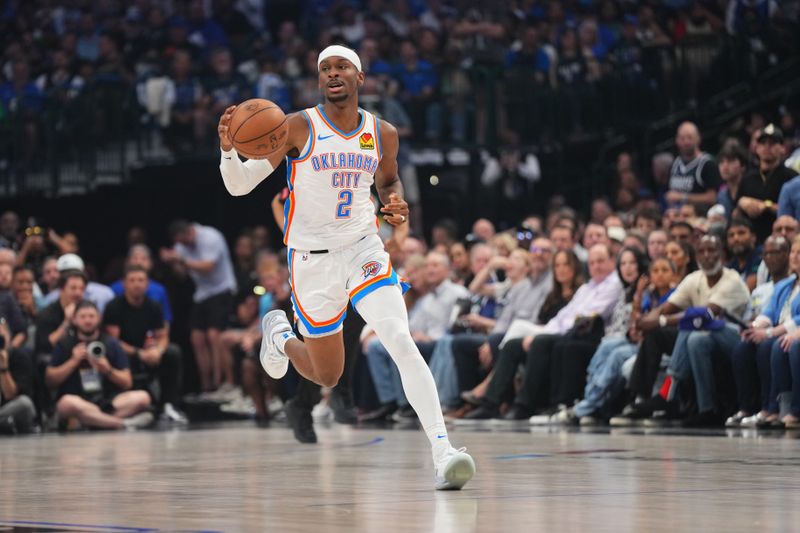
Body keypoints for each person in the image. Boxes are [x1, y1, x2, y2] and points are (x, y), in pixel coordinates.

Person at [217, 45, 474, 490]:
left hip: (363, 249)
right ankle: (278, 334)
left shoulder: (382, 132)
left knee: (399, 338)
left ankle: (443, 452)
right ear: (320, 80)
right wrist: (228, 152)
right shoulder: (295, 126)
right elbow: (240, 188)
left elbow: (388, 181)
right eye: (325, 69)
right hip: (311, 262)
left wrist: (394, 203)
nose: (332, 74)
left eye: (341, 68)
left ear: (360, 76)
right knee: (327, 375)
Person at [46, 301, 153, 430]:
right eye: (83, 316)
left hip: (107, 401)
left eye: (91, 316)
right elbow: (50, 381)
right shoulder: (65, 343)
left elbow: (127, 382)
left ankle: (92, 421)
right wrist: (73, 362)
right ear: (74, 320)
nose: (88, 320)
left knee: (143, 397)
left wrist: (108, 370)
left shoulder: (111, 343)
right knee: (66, 403)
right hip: (78, 400)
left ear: (99, 319)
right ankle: (122, 424)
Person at [160, 220, 237, 394]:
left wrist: (181, 260)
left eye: (184, 241)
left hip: (222, 289)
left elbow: (208, 267)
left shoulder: (210, 236)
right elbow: (182, 276)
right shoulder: (180, 247)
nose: (184, 245)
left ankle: (222, 382)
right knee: (197, 338)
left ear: (189, 232)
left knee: (213, 335)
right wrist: (172, 262)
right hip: (202, 293)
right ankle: (206, 385)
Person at [103, 265, 186, 424]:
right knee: (115, 353)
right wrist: (138, 353)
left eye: (141, 280)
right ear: (124, 284)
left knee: (172, 353)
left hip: (148, 353)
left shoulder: (153, 305)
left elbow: (162, 335)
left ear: (147, 284)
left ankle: (168, 405)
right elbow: (113, 342)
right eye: (132, 280)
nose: (137, 284)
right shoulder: (114, 307)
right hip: (126, 353)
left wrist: (158, 350)